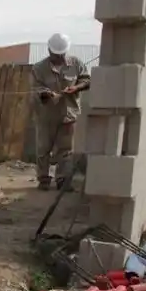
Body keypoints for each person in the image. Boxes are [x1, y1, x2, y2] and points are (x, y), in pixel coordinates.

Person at [31, 33, 91, 190]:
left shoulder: (76, 64)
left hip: (68, 115)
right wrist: (46, 93)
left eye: (61, 54)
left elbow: (87, 80)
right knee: (43, 150)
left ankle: (62, 180)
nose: (59, 57)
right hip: (46, 116)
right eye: (56, 54)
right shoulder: (39, 68)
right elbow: (36, 88)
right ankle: (43, 179)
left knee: (65, 151)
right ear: (50, 51)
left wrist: (76, 88)